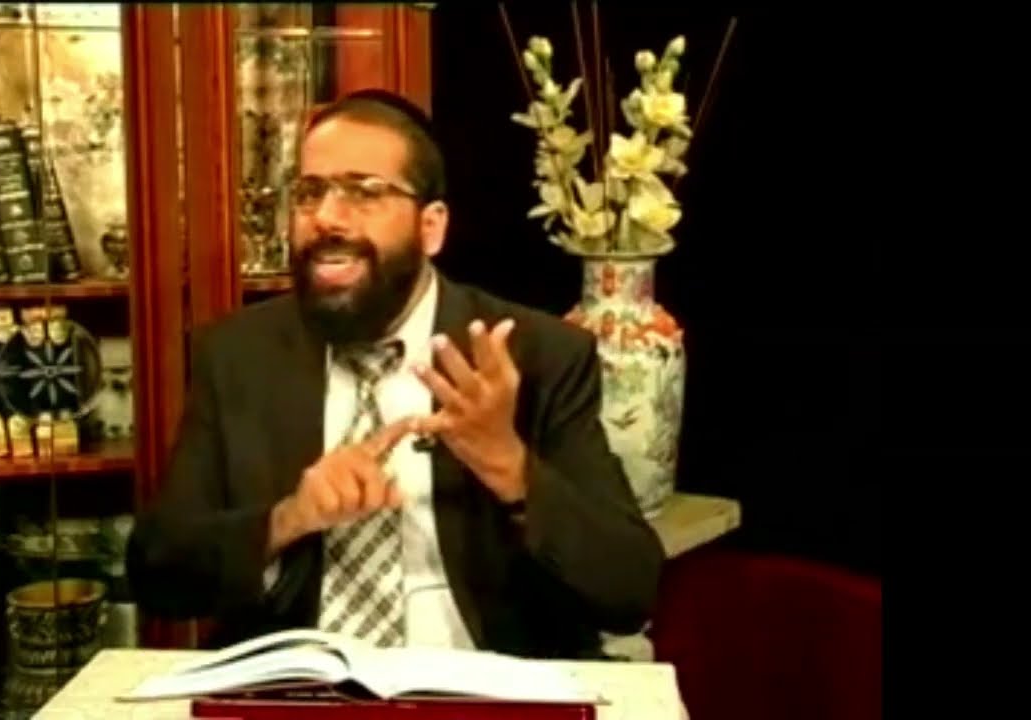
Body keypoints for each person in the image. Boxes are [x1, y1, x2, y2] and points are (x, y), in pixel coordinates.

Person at [126, 88, 665, 660]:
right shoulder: (238, 355)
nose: (326, 217)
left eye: (364, 192)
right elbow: (158, 572)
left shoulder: (537, 356)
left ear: (431, 227)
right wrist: (287, 518)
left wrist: (508, 465)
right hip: (297, 685)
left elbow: (629, 590)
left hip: (481, 681)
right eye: (309, 193)